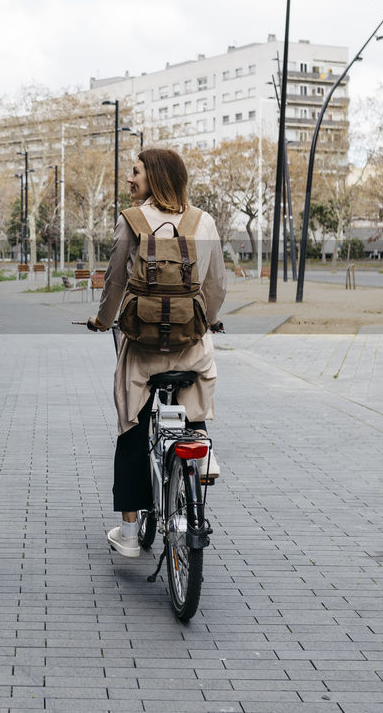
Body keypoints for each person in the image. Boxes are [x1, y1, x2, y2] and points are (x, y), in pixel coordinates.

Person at [86, 148, 226, 558]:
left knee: (131, 427)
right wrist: (209, 320)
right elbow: (215, 286)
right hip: (190, 347)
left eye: (136, 172)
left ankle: (129, 534)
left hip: (143, 349)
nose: (130, 179)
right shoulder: (205, 222)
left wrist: (102, 319)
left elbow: (114, 282)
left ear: (156, 179)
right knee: (199, 383)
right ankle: (199, 448)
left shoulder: (132, 221)